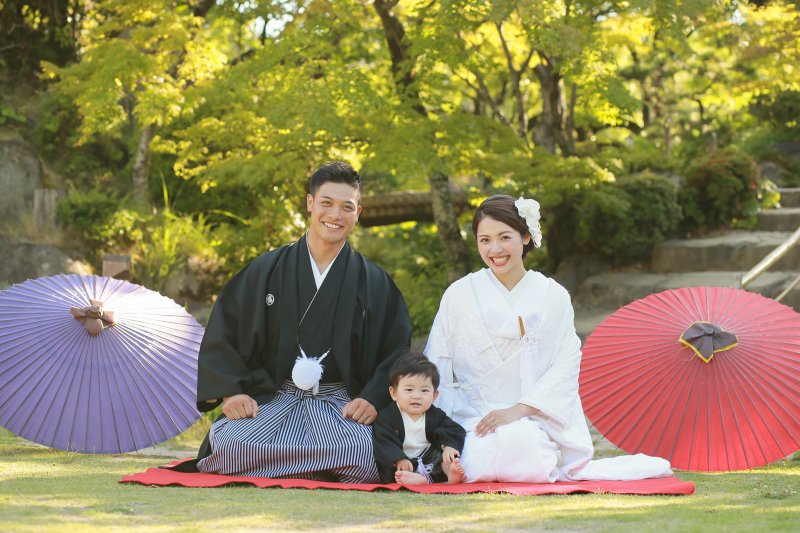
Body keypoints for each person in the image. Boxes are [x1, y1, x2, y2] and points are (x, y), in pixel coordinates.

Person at [185, 161, 411, 483]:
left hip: (339, 405)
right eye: (326, 203)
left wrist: (372, 398)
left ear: (357, 213)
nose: (335, 215)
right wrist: (231, 393)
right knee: (230, 442)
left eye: (347, 207)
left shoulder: (374, 282)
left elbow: (396, 349)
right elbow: (226, 330)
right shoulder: (266, 269)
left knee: (363, 448)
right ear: (310, 203)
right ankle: (320, 468)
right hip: (274, 399)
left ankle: (279, 464)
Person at [424, 195, 672, 483]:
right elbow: (437, 362)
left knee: (523, 442)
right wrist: (441, 426)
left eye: (505, 237)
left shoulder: (552, 295)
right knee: (480, 451)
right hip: (472, 414)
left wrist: (518, 410)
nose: (495, 249)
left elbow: (565, 366)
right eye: (485, 240)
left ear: (526, 236)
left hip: (530, 414)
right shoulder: (459, 293)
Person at [372, 352, 466, 485]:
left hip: (428, 459)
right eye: (409, 390)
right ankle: (413, 479)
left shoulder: (435, 415)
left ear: (434, 396)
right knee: (396, 470)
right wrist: (398, 458)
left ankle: (449, 472)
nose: (417, 396)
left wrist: (449, 446)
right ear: (394, 393)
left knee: (443, 457)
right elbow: (383, 440)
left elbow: (453, 429)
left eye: (424, 391)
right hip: (403, 462)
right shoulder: (386, 417)